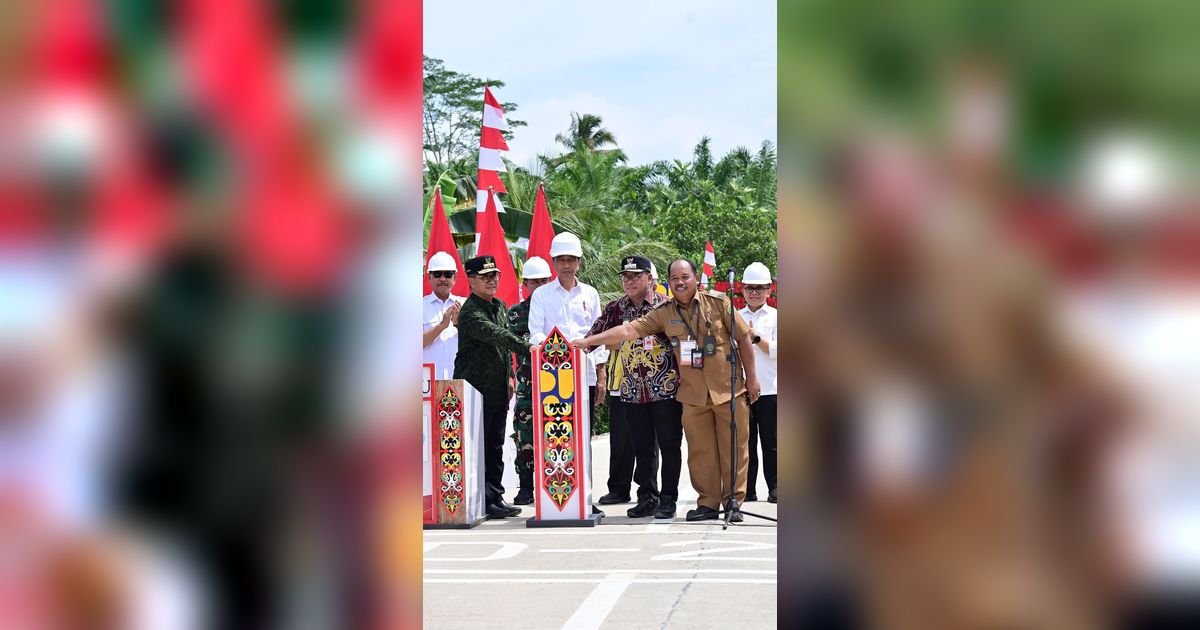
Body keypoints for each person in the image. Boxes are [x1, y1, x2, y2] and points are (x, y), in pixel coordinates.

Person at [577, 259, 760, 522]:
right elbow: (628, 330)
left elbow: (743, 338)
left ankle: (733, 502)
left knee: (734, 449)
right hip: (693, 395)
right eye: (674, 278)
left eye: (685, 277)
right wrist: (588, 341)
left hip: (728, 390)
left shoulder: (718, 303)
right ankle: (708, 503)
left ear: (696, 278)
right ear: (668, 282)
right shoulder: (663, 312)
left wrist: (751, 378)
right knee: (701, 453)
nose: (680, 282)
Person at [589, 256, 683, 519]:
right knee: (641, 447)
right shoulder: (615, 309)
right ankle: (647, 496)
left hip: (665, 388)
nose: (628, 281)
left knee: (669, 444)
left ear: (650, 279)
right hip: (632, 391)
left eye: (635, 276)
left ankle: (668, 498)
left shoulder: (668, 306)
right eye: (625, 277)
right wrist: (573, 346)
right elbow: (592, 337)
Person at [528, 232, 608, 516]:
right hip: (552, 379)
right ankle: (553, 498)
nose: (566, 264)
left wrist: (600, 375)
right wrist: (555, 347)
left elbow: (598, 335)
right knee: (554, 436)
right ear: (553, 261)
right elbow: (535, 331)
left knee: (582, 438)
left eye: (571, 259)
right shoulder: (541, 294)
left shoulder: (590, 293)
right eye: (561, 259)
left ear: (578, 262)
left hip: (583, 376)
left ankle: (584, 497)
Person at [453, 255, 531, 519]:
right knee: (480, 446)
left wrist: (510, 377)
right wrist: (530, 348)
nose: (492, 281)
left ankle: (495, 495)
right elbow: (498, 336)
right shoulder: (470, 312)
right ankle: (482, 498)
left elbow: (502, 349)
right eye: (485, 277)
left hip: (498, 388)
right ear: (471, 280)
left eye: (495, 276)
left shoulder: (499, 305)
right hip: (475, 390)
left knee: (496, 444)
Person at [505, 256, 553, 505]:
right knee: (525, 434)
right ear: (525, 284)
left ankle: (554, 483)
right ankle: (525, 486)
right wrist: (510, 377)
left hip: (557, 384)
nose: (538, 286)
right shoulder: (515, 314)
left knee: (556, 432)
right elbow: (505, 348)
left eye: (543, 281)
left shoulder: (555, 307)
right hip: (526, 385)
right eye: (533, 282)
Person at [738, 262, 778, 503]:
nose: (754, 292)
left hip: (771, 388)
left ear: (769, 291)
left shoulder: (776, 317)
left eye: (759, 288)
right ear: (742, 290)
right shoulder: (735, 317)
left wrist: (755, 337)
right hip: (741, 389)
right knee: (746, 443)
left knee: (772, 443)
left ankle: (775, 487)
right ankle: (747, 489)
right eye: (750, 288)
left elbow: (778, 350)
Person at [422, 251, 464, 379]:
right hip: (428, 382)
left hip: (460, 379)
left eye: (448, 274)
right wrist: (441, 326)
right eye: (437, 274)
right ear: (429, 277)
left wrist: (459, 324)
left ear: (455, 278)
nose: (442, 279)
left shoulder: (467, 304)